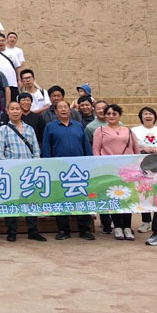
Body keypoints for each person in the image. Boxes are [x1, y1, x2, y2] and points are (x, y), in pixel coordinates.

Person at [41, 100, 95, 240]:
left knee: (82, 198)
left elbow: (86, 146)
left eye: (66, 107)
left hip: (79, 170)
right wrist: (49, 166)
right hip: (60, 170)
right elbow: (46, 148)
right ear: (56, 111)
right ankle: (63, 230)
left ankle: (84, 229)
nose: (64, 109)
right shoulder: (50, 127)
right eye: (60, 108)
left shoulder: (78, 125)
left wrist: (89, 162)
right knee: (61, 199)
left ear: (70, 110)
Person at [0, 101, 47, 242]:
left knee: (31, 201)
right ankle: (12, 231)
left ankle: (33, 231)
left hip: (29, 173)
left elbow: (36, 150)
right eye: (12, 109)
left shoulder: (29, 129)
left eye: (17, 109)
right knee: (12, 201)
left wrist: (35, 166)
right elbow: (0, 153)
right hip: (12, 172)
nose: (15, 111)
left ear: (21, 111)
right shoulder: (3, 129)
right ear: (7, 111)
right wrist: (7, 170)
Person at [92, 104, 141, 240]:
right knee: (113, 197)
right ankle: (118, 227)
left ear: (120, 115)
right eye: (108, 113)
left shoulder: (128, 131)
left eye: (114, 113)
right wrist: (100, 167)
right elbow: (96, 149)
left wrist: (137, 165)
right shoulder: (100, 130)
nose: (111, 116)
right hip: (110, 169)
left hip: (127, 169)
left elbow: (136, 149)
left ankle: (127, 227)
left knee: (127, 197)